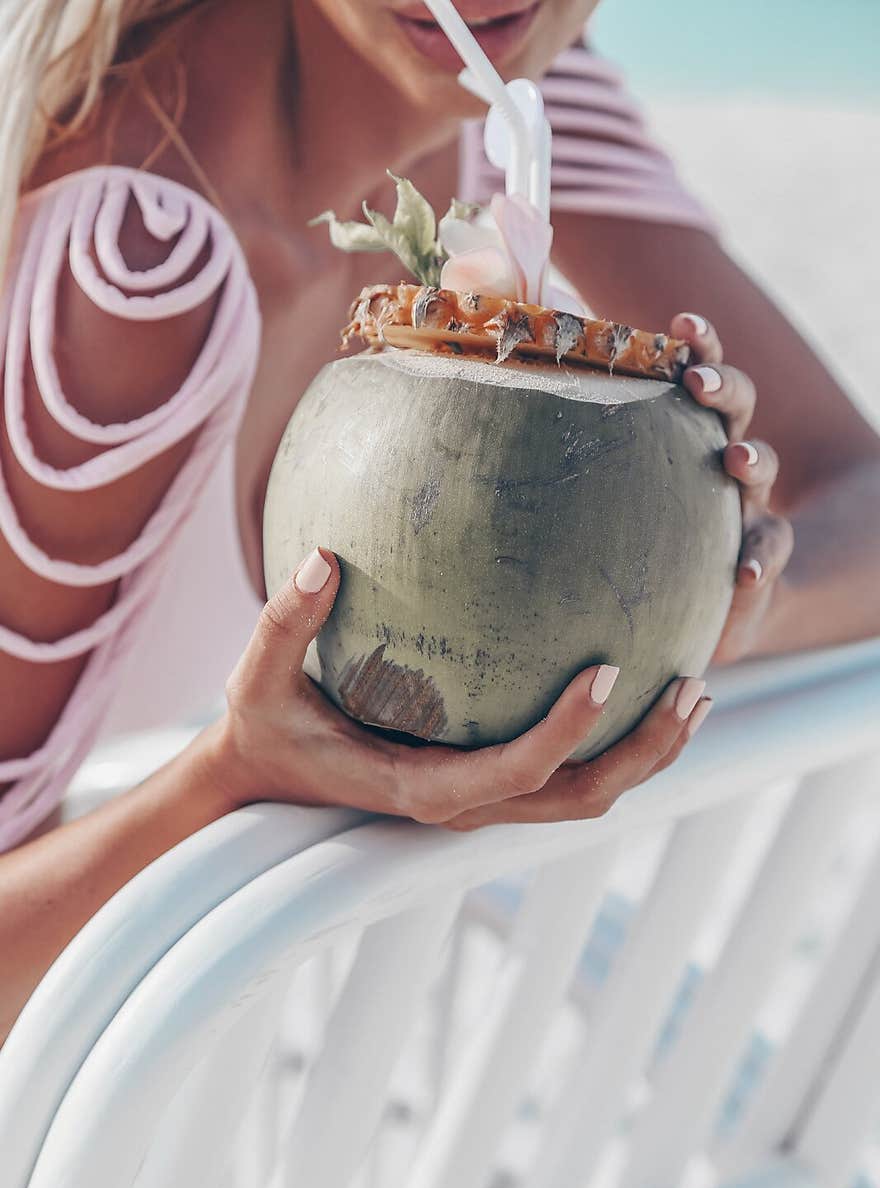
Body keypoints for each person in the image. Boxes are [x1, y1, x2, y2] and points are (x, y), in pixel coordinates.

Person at [1, 0, 878, 1042]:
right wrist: (232, 773)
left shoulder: (523, 94)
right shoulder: (137, 264)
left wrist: (716, 601)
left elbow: (857, 493)